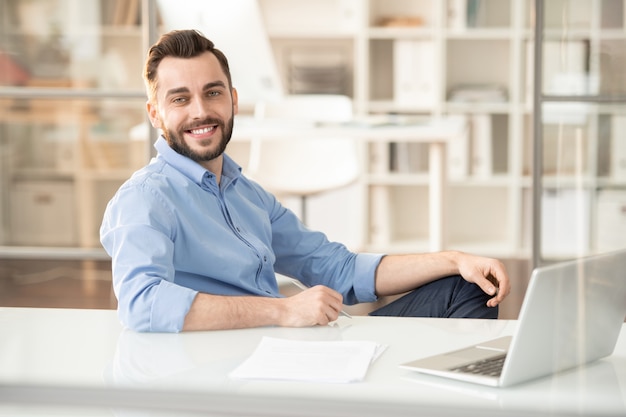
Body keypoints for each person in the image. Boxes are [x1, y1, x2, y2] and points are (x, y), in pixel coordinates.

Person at [100, 29, 511, 333]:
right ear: (155, 114)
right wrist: (281, 310)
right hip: (233, 370)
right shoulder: (145, 198)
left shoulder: (247, 194)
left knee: (467, 287)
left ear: (233, 101)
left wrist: (453, 259)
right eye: (180, 99)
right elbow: (142, 303)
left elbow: (338, 268)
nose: (200, 111)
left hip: (289, 350)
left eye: (212, 93)